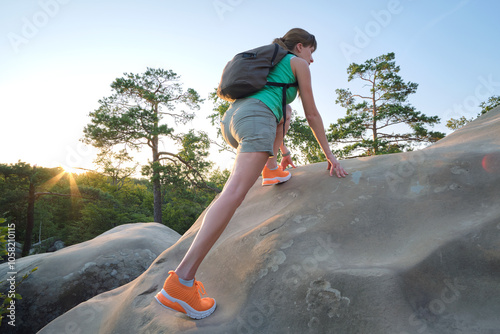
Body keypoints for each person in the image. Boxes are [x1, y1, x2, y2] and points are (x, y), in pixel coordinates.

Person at [154, 28, 348, 319]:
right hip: (258, 120)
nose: (312, 59)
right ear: (300, 46)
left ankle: (270, 171)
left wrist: (282, 152)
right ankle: (180, 282)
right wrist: (329, 156)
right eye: (311, 51)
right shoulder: (297, 64)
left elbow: (283, 108)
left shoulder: (271, 62)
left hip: (233, 119)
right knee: (233, 194)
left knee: (286, 111)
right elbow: (313, 114)